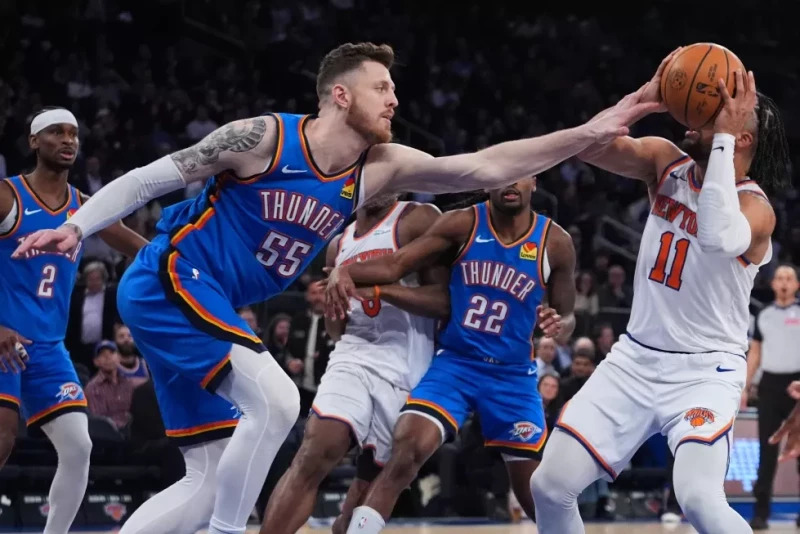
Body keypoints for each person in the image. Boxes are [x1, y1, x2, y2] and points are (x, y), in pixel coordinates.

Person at [12, 43, 653, 534]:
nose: (394, 99)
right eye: (382, 87)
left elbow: (486, 165)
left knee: (207, 477)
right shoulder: (265, 138)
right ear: (341, 96)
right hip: (172, 278)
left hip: (209, 300)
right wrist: (77, 226)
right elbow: (154, 177)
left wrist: (591, 132)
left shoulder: (381, 168)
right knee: (277, 402)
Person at [530, 48, 790, 534]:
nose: (695, 116)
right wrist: (640, 100)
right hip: (635, 359)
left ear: (741, 137)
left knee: (699, 499)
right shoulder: (664, 162)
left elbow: (716, 234)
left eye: (713, 113)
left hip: (706, 369)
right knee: (549, 485)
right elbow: (585, 147)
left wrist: (721, 138)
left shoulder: (757, 210)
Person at [324, 176, 577, 533]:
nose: (510, 183)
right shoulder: (462, 223)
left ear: (534, 181)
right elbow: (397, 264)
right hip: (456, 364)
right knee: (406, 452)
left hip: (512, 376)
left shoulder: (556, 242)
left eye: (521, 175)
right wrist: (344, 270)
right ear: (488, 181)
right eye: (503, 175)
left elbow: (568, 316)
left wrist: (558, 323)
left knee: (537, 493)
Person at [260, 194, 446, 534]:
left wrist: (381, 290)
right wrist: (334, 305)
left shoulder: (418, 218)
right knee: (314, 453)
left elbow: (446, 300)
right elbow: (337, 330)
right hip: (353, 356)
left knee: (369, 485)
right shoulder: (338, 244)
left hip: (407, 365)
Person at [0, 107, 146, 534]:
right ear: (34, 141)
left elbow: (141, 248)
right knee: (3, 437)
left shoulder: (85, 207)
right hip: (3, 340)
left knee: (79, 446)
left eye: (74, 134)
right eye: (56, 132)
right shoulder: (8, 196)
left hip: (48, 348)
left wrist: (187, 262)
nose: (68, 140)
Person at [745, 265, 800, 529]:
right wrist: (745, 387)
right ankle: (761, 512)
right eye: (779, 278)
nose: (784, 282)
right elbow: (755, 353)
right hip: (769, 386)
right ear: (773, 284)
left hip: (798, 386)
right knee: (766, 451)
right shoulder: (763, 314)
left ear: (797, 285)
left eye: (789, 278)